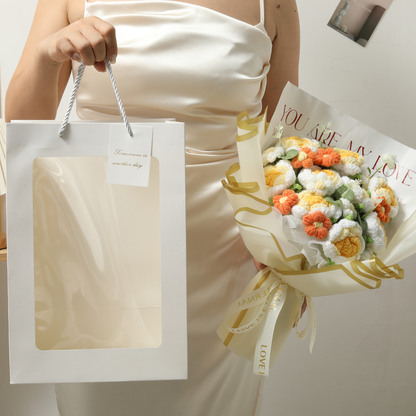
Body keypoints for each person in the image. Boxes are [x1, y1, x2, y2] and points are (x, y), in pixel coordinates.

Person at [6, 0, 300, 415]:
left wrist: (291, 251)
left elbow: (280, 142)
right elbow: (22, 124)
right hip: (99, 253)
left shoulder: (276, 5)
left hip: (222, 260)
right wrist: (47, 54)